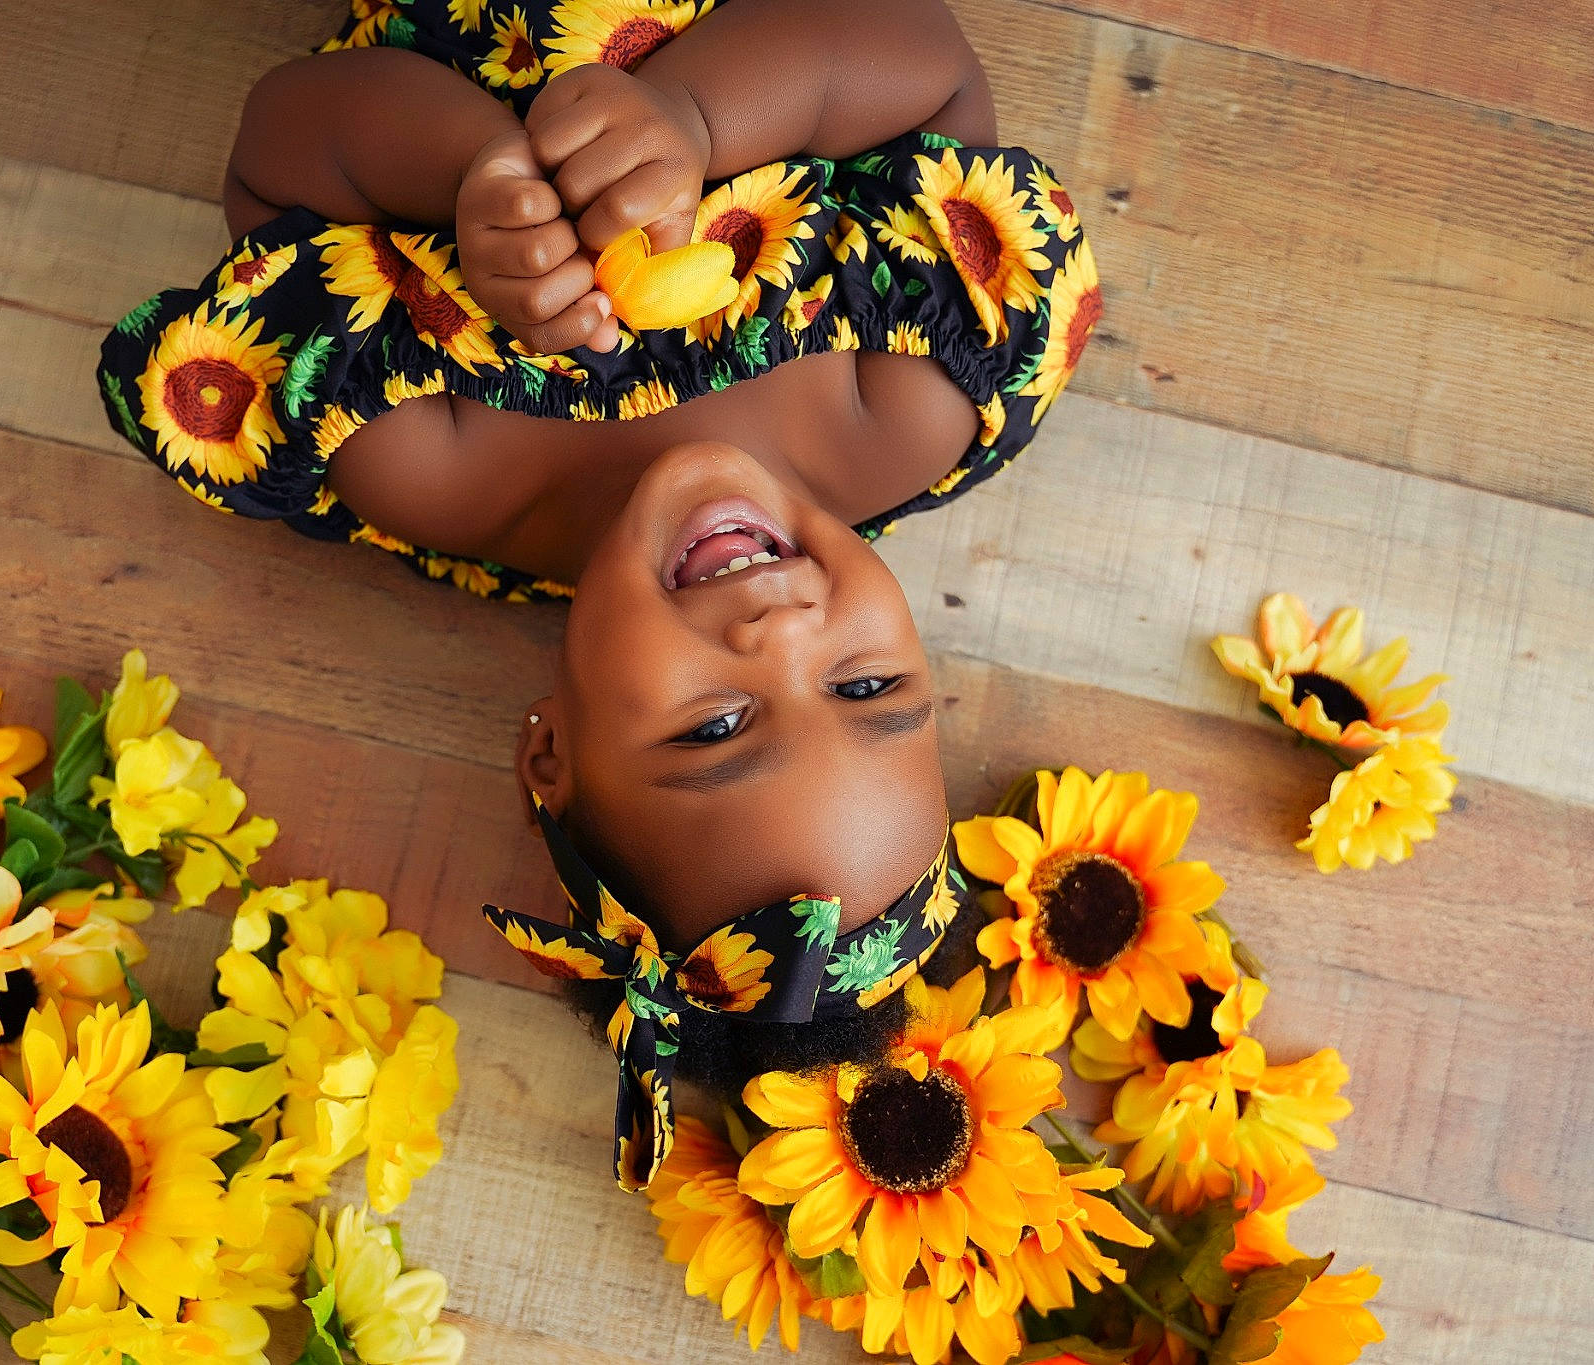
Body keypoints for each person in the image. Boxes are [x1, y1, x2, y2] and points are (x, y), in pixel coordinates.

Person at [98, 0, 1098, 1189]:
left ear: (549, 755)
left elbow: (276, 149)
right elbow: (927, 73)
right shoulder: (911, 397)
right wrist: (693, 112)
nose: (780, 635)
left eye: (718, 726)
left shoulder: (434, 463)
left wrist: (475, 177)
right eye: (865, 684)